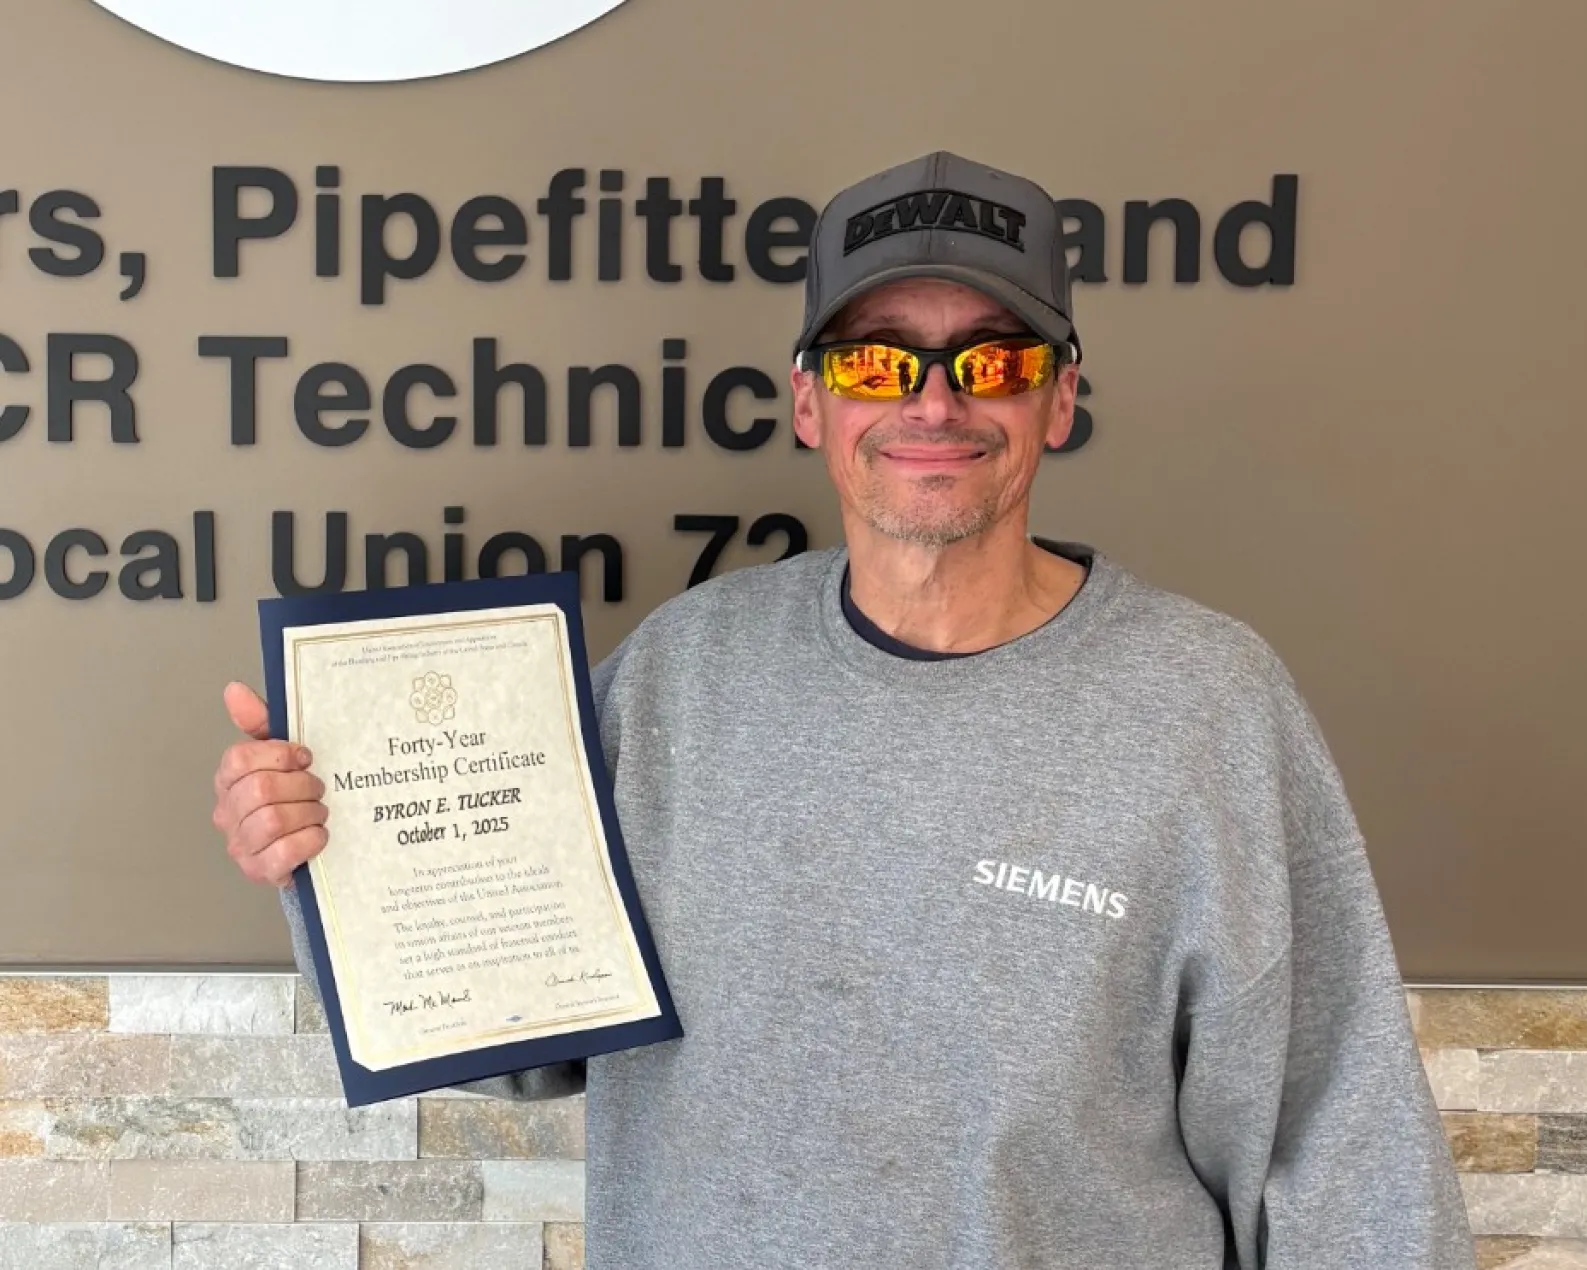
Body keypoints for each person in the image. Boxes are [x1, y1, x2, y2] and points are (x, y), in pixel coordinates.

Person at [211, 151, 1475, 1269]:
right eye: (879, 359)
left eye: (992, 358)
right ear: (813, 401)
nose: (933, 402)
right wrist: (334, 853)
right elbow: (522, 1039)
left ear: (1060, 397)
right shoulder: (678, 677)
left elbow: (1339, 1143)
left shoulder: (1207, 703)